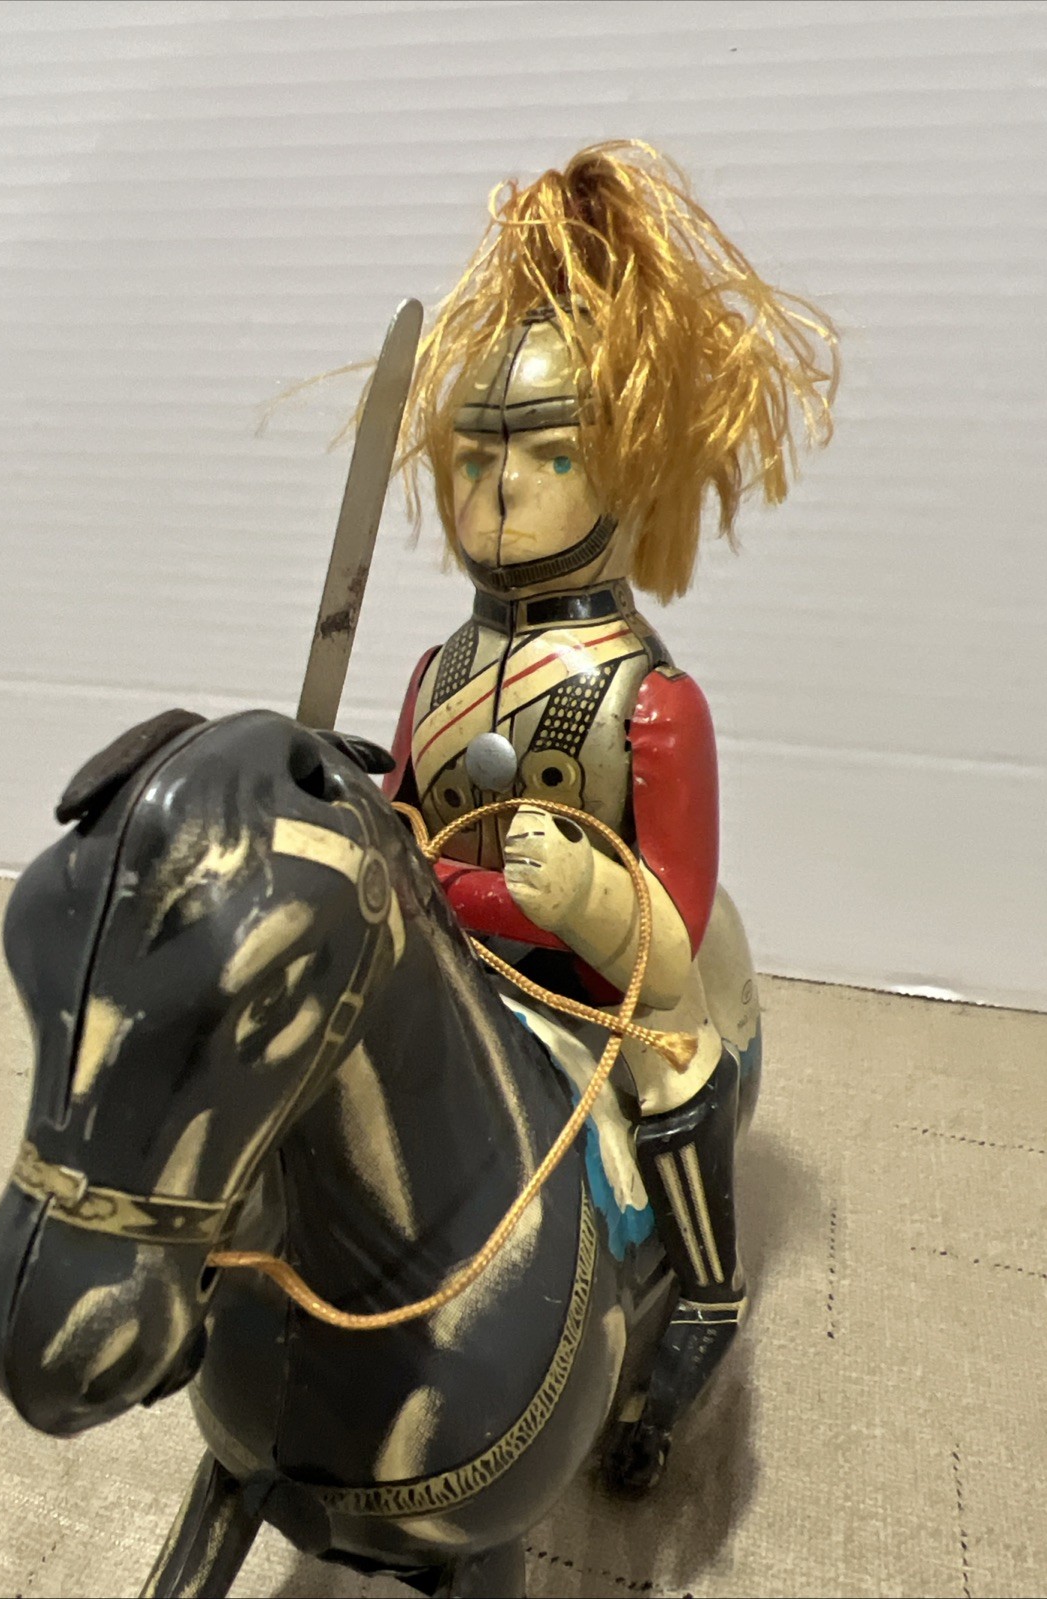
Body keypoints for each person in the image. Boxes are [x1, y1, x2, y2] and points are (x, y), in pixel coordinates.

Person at [382, 141, 838, 1486]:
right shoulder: (436, 671)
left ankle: (704, 1292)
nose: (500, 485)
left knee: (675, 1071)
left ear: (625, 467)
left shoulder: (653, 703)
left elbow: (670, 931)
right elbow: (406, 821)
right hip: (452, 968)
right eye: (479, 451)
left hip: (600, 992)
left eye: (550, 450)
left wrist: (582, 899)